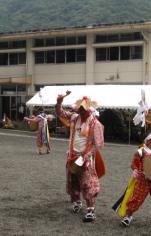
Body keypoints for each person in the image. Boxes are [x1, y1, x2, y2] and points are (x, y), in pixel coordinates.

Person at [55, 90, 104, 223]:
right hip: (72, 156)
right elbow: (60, 113)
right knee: (73, 181)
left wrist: (87, 154)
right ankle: (77, 201)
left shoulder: (95, 124)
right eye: (79, 109)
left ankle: (91, 210)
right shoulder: (74, 118)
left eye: (83, 109)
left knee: (88, 183)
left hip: (86, 157)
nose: (81, 111)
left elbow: (97, 144)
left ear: (89, 109)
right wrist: (59, 102)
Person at [120, 131, 151, 227]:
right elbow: (134, 164)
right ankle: (128, 216)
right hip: (144, 179)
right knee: (137, 197)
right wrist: (136, 171)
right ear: (148, 140)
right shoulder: (141, 151)